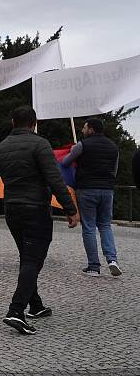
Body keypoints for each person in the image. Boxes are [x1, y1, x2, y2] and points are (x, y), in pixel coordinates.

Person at [0, 106, 79, 335]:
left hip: (12, 209)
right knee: (33, 260)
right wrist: (70, 209)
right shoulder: (40, 144)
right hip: (35, 210)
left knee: (27, 256)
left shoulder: (1, 148)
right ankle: (16, 310)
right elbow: (54, 179)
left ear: (13, 122)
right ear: (34, 123)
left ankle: (36, 305)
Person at [62, 118, 122, 277]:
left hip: (87, 189)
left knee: (89, 227)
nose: (82, 130)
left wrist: (72, 151)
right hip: (107, 190)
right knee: (105, 225)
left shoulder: (83, 145)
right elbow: (114, 170)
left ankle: (94, 267)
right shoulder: (113, 147)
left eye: (85, 128)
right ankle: (112, 260)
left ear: (92, 130)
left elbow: (65, 162)